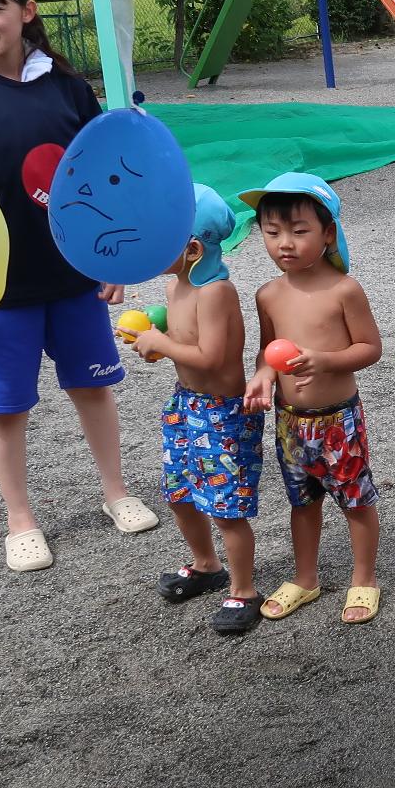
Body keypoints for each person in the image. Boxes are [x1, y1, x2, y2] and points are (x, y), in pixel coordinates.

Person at [0, 0, 156, 572]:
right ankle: (20, 520)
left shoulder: (67, 87)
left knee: (94, 386)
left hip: (72, 276)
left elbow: (99, 178)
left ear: (26, 11)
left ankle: (116, 492)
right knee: (2, 405)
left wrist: (111, 257)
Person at [241, 173, 384, 624]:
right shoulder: (267, 294)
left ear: (327, 234)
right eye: (272, 232)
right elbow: (267, 351)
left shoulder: (344, 290)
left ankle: (364, 578)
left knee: (355, 500)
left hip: (338, 419)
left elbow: (370, 347)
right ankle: (306, 577)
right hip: (290, 422)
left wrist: (325, 360)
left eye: (300, 231)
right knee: (302, 503)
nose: (285, 243)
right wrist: (262, 376)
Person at [134, 186, 265, 635]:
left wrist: (163, 344)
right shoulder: (175, 285)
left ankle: (244, 589)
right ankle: (206, 564)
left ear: (192, 249)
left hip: (222, 415)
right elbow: (181, 345)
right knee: (180, 494)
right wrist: (153, 335)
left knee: (226, 506)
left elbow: (210, 357)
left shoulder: (217, 293)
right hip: (185, 405)